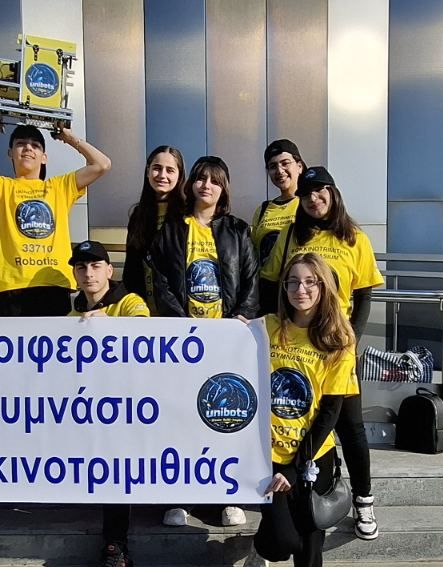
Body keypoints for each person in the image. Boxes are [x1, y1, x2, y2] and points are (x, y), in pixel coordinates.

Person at [257, 166, 384, 541]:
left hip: (334, 347)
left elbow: (364, 295)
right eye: (307, 194)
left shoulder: (354, 237)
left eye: (320, 191)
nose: (314, 199)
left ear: (333, 193)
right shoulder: (291, 234)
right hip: (295, 345)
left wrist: (351, 341)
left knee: (350, 426)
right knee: (302, 415)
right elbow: (271, 283)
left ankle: (363, 500)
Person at [249, 252, 358, 567]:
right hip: (268, 458)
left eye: (311, 282)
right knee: (280, 543)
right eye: (293, 281)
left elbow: (329, 414)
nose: (301, 289)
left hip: (313, 459)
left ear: (324, 287)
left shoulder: (338, 341)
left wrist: (297, 468)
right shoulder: (268, 327)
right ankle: (260, 546)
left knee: (309, 552)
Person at [144, 155, 259, 528]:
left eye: (215, 180)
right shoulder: (172, 230)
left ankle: (229, 495)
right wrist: (179, 323)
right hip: (184, 343)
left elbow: (251, 278)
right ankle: (181, 497)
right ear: (190, 184)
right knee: (182, 417)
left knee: (225, 416)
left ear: (224, 188)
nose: (206, 186)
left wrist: (239, 318)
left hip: (227, 342)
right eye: (200, 179)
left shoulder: (238, 230)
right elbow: (161, 280)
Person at [0, 119, 112, 316]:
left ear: (44, 157)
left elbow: (102, 164)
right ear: (10, 153)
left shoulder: (60, 187)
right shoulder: (2, 187)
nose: (28, 148)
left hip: (53, 284)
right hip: (13, 286)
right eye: (21, 144)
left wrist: (68, 136)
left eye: (35, 145)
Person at [65, 240, 152, 567]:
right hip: (88, 410)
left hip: (131, 409)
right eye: (81, 267)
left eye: (95, 266)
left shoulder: (128, 302)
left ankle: (116, 549)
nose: (88, 273)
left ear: (109, 270)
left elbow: (147, 331)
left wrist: (110, 326)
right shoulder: (71, 314)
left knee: (115, 466)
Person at [121, 145, 187, 312]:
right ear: (147, 171)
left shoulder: (188, 214)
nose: (162, 175)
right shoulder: (138, 214)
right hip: (143, 310)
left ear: (179, 175)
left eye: (170, 170)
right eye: (157, 168)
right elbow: (131, 268)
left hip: (179, 311)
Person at [252, 139, 305, 312]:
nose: (279, 171)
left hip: (300, 293)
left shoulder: (309, 205)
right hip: (268, 296)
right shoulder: (263, 209)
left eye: (285, 163)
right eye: (273, 166)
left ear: (299, 166)